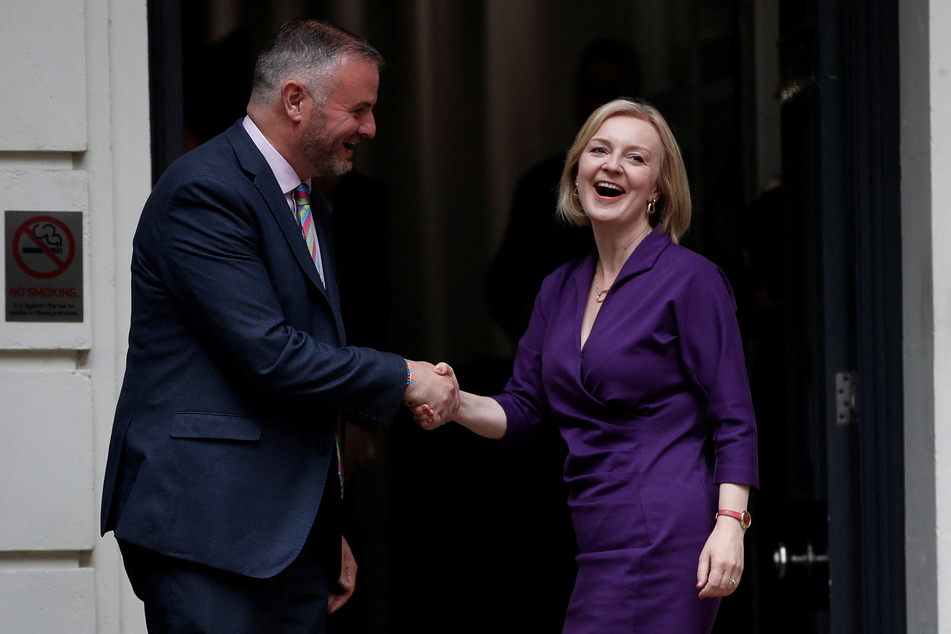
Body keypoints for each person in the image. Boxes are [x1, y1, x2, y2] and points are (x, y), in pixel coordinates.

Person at [99, 19, 458, 632]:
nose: (371, 129)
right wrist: (403, 377)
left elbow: (310, 364)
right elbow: (269, 355)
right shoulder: (206, 190)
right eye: (360, 110)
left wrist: (319, 528)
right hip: (207, 535)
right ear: (296, 101)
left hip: (282, 542)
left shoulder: (308, 200)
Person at [411, 98, 759, 632]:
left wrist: (730, 525)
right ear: (577, 174)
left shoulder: (692, 280)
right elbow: (524, 409)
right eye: (599, 150)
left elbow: (734, 418)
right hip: (596, 537)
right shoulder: (560, 288)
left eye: (636, 157)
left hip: (669, 532)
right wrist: (456, 403)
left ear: (659, 189)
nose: (613, 165)